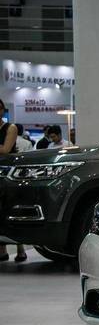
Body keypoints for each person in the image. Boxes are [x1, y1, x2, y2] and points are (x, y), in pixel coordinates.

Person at [0, 98, 27, 262]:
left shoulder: (11, 128)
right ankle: (2, 250)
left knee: (10, 211)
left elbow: (6, 149)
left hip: (8, 175)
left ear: (3, 110)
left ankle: (20, 249)